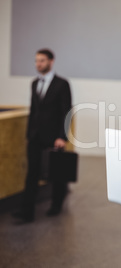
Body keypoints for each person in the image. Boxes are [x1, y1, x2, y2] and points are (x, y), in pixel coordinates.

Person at [13, 48, 72, 223]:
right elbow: (34, 111)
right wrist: (28, 134)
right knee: (32, 173)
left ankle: (56, 205)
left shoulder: (62, 84)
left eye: (42, 61)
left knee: (56, 173)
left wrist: (62, 136)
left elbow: (66, 112)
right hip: (35, 137)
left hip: (54, 137)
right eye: (36, 61)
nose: (38, 64)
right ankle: (27, 211)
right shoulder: (34, 83)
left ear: (51, 61)